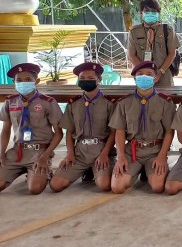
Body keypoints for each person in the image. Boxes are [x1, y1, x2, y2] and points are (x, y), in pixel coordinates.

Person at [109, 61, 176, 194]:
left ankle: (147, 171)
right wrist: (121, 156)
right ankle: (139, 169)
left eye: (149, 74)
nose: (144, 77)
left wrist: (162, 156)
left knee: (158, 187)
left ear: (155, 78)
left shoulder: (165, 102)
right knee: (117, 187)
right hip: (132, 151)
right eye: (140, 74)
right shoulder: (124, 102)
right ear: (134, 78)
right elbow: (120, 131)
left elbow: (169, 132)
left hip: (155, 151)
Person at [50, 62, 117, 192]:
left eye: (91, 78)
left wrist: (104, 154)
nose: (86, 81)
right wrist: (70, 154)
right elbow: (69, 132)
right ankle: (85, 170)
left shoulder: (109, 103)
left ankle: (95, 170)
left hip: (101, 150)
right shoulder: (73, 104)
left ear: (99, 79)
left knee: (104, 185)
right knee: (55, 185)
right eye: (82, 79)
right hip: (80, 152)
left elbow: (114, 133)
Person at [0, 63, 63, 194]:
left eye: (28, 80)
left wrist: (45, 156)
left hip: (39, 152)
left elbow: (58, 133)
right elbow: (5, 130)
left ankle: (40, 173)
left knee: (34, 188)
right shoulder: (10, 102)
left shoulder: (48, 102)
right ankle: (22, 170)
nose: (23, 83)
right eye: (19, 80)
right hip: (17, 152)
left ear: (37, 81)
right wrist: (1, 152)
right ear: (14, 82)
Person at [127, 0, 178, 87]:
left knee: (165, 99)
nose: (150, 13)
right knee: (143, 99)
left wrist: (160, 72)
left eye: (154, 11)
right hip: (142, 76)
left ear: (159, 12)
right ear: (141, 12)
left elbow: (172, 53)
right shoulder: (134, 31)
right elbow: (131, 55)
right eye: (146, 11)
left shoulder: (168, 30)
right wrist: (144, 73)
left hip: (164, 75)